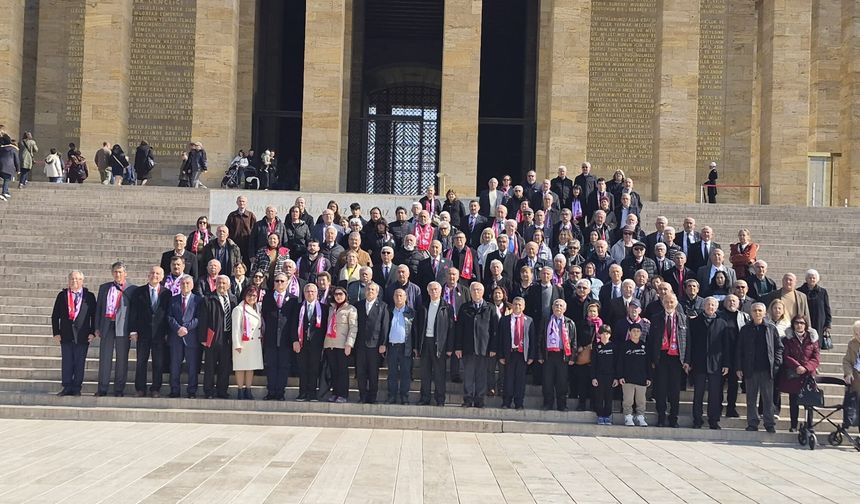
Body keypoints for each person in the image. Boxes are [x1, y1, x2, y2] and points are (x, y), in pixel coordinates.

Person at [737, 302, 784, 433]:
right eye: (755, 311)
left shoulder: (771, 328)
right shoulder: (745, 329)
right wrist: (739, 367)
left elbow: (779, 347)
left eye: (759, 311)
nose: (757, 313)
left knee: (768, 399)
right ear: (751, 313)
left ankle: (769, 423)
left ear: (764, 313)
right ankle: (752, 423)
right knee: (751, 399)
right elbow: (739, 349)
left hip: (767, 369)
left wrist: (777, 363)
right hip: (750, 369)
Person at [685, 297, 729, 429]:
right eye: (708, 304)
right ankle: (697, 419)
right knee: (698, 393)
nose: (710, 307)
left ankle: (713, 420)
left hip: (716, 364)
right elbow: (690, 343)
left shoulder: (722, 323)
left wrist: (726, 364)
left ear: (717, 307)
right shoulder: (694, 322)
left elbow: (726, 346)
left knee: (714, 395)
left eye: (713, 305)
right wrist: (688, 361)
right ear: (703, 306)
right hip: (699, 363)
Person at [51, 271, 97, 396]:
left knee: (79, 362)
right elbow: (55, 315)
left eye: (77, 279)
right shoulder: (62, 295)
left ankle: (77, 387)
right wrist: (56, 332)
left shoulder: (90, 296)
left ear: (82, 281)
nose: (74, 281)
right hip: (65, 335)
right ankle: (66, 387)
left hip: (83, 335)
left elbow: (94, 316)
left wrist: (92, 332)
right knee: (67, 362)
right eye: (72, 279)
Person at [129, 266, 172, 398]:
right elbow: (133, 312)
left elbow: (168, 314)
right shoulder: (138, 292)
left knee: (158, 363)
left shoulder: (167, 293)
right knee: (141, 362)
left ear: (162, 276)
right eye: (152, 273)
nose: (155, 275)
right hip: (143, 332)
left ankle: (155, 389)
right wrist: (133, 331)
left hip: (159, 334)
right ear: (148, 275)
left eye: (158, 273)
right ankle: (140, 388)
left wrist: (167, 332)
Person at [94, 261, 136, 397]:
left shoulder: (132, 289)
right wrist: (97, 327)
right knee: (105, 358)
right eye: (115, 272)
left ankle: (119, 389)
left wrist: (133, 329)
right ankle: (102, 388)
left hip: (123, 328)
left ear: (125, 273)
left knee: (122, 359)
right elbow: (98, 308)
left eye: (120, 272)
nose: (117, 274)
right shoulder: (104, 287)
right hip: (107, 326)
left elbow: (135, 312)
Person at [455, 283, 498, 408]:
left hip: (484, 348)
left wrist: (493, 348)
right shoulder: (464, 307)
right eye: (473, 290)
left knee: (481, 375)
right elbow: (459, 329)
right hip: (468, 347)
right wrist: (458, 347)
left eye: (478, 290)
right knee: (468, 375)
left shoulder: (490, 308)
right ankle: (468, 399)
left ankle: (479, 399)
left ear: (483, 292)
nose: (476, 292)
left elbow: (494, 330)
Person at [649, 293, 687, 427]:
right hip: (661, 357)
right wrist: (652, 359)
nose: (669, 304)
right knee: (661, 389)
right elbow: (651, 340)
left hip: (677, 358)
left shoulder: (683, 319)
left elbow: (688, 341)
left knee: (675, 391)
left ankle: (673, 418)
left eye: (671, 302)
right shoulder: (656, 318)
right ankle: (661, 417)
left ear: (676, 303)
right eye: (666, 302)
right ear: (663, 303)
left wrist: (687, 360)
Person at [261, 272, 299, 401]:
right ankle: (271, 392)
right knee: (271, 366)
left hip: (286, 339)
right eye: (277, 281)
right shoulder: (267, 297)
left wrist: (295, 339)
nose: (279, 283)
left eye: (282, 281)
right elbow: (264, 316)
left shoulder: (293, 299)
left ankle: (280, 393)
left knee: (283, 367)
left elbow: (294, 321)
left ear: (287, 283)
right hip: (271, 338)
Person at [779, 315, 821, 432]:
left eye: (802, 323)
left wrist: (806, 367)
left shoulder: (812, 339)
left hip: (808, 374)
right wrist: (797, 366)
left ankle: (809, 426)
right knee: (794, 401)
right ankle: (793, 426)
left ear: (806, 325)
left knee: (809, 401)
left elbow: (816, 357)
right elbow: (786, 355)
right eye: (797, 323)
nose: (799, 325)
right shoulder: (788, 339)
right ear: (793, 325)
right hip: (794, 374)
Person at [200, 275, 237, 399]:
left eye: (224, 283)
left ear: (229, 285)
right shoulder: (208, 299)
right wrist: (203, 338)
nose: (221, 285)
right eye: (219, 283)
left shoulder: (233, 299)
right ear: (215, 284)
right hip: (212, 336)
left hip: (227, 337)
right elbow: (203, 320)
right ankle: (209, 391)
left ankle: (222, 390)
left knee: (225, 366)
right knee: (210, 366)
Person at [496, 296, 535, 410]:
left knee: (520, 380)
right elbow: (500, 338)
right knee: (508, 379)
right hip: (509, 353)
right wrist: (501, 355)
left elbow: (532, 339)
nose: (517, 306)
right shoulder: (504, 320)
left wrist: (531, 355)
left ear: (523, 307)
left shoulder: (529, 320)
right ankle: (506, 402)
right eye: (515, 304)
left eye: (520, 305)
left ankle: (519, 402)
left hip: (522, 354)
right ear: (512, 305)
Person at [538, 298, 576, 411]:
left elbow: (573, 341)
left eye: (560, 306)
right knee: (547, 381)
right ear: (552, 307)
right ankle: (547, 403)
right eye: (556, 305)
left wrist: (572, 357)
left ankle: (562, 405)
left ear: (565, 309)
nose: (558, 307)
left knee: (562, 382)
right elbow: (540, 339)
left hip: (563, 356)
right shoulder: (546, 320)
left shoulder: (569, 322)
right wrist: (540, 355)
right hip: (548, 355)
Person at [354, 283, 389, 404]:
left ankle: (372, 397)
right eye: (368, 289)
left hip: (375, 345)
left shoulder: (383, 306)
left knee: (373, 373)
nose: (370, 291)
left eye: (373, 289)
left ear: (377, 292)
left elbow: (385, 326)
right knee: (361, 372)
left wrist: (383, 343)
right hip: (360, 344)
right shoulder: (358, 305)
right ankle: (362, 396)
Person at [167, 275, 201, 398]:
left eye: (187, 283)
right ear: (179, 285)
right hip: (176, 337)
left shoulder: (198, 300)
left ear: (192, 285)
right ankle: (174, 390)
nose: (185, 285)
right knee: (175, 365)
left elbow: (198, 318)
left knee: (192, 366)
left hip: (191, 337)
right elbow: (169, 317)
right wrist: (178, 328)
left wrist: (186, 327)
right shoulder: (173, 300)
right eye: (182, 283)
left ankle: (192, 391)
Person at [293, 283, 329, 401]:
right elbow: (292, 326)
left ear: (317, 293)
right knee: (302, 368)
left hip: (316, 344)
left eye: (312, 291)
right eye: (307, 291)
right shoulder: (298, 307)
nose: (310, 293)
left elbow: (325, 327)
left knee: (314, 369)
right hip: (301, 343)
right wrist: (295, 341)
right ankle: (302, 393)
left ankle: (312, 393)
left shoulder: (324, 308)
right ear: (304, 294)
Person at [324, 287, 357, 403]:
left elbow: (353, 328)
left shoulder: (350, 309)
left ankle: (343, 394)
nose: (338, 296)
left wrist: (349, 344)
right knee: (333, 370)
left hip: (342, 345)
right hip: (330, 344)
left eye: (340, 294)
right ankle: (335, 392)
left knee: (342, 370)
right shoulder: (330, 309)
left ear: (345, 295)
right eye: (336, 294)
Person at [719, 294, 750, 418]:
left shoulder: (744, 316)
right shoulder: (719, 315)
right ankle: (718, 407)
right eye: (729, 301)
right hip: (720, 355)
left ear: (739, 304)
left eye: (734, 301)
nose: (732, 303)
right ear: (725, 303)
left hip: (736, 356)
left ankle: (731, 408)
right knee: (719, 384)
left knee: (733, 384)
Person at [385, 288, 417, 404]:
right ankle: (391, 396)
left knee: (405, 373)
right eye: (396, 296)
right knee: (392, 373)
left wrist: (415, 347)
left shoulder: (411, 312)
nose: (398, 298)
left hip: (406, 347)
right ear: (393, 298)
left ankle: (404, 396)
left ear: (405, 298)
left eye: (401, 296)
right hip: (392, 346)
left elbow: (415, 331)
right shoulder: (388, 311)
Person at [231, 286, 264, 399]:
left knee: (251, 367)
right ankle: (240, 390)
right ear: (245, 295)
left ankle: (248, 389)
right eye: (249, 295)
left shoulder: (258, 308)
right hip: (242, 343)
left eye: (254, 295)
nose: (252, 298)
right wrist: (237, 344)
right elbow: (235, 328)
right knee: (240, 367)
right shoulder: (239, 309)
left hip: (254, 343)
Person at [618, 322, 649, 426]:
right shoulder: (624, 346)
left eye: (638, 331)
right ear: (629, 332)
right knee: (628, 400)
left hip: (641, 378)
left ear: (641, 333)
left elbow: (648, 364)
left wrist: (649, 377)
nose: (635, 333)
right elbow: (620, 362)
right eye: (633, 331)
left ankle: (640, 417)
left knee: (641, 400)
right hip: (627, 378)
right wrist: (620, 376)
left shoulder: (644, 346)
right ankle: (628, 417)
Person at [798, 269, 832, 346]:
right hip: (805, 320)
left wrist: (828, 323)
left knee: (816, 343)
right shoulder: (799, 291)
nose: (812, 279)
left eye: (814, 278)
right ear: (806, 279)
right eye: (809, 278)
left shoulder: (822, 292)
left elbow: (827, 307)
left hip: (819, 321)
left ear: (817, 279)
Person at [591, 325, 617, 424]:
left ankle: (607, 415)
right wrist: (593, 377)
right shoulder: (597, 347)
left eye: (607, 333)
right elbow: (593, 363)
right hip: (599, 376)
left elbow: (616, 363)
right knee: (599, 396)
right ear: (599, 334)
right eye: (603, 333)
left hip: (610, 376)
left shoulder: (613, 346)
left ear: (610, 335)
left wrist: (616, 378)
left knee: (609, 397)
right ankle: (600, 415)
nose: (605, 335)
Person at [224, 196, 257, 268]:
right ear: (237, 202)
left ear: (246, 203)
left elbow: (254, 231)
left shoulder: (251, 215)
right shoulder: (232, 215)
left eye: (243, 201)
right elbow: (227, 229)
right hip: (234, 244)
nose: (241, 203)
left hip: (247, 244)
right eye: (240, 201)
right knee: (234, 263)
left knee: (246, 265)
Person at [842, 321, 860, 416]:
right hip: (856, 381)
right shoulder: (852, 343)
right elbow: (847, 361)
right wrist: (848, 373)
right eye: (856, 333)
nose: (858, 336)